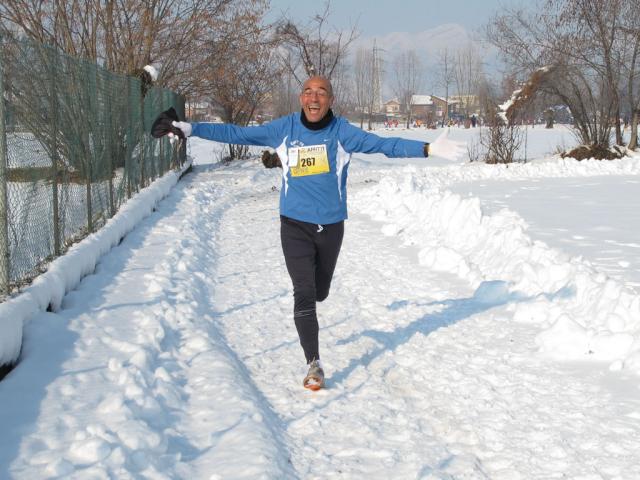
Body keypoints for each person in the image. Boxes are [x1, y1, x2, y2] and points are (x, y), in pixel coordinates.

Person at [152, 76, 443, 390]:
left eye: (321, 92)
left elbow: (385, 145)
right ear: (300, 97)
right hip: (294, 225)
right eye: (308, 91)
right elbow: (239, 133)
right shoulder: (285, 129)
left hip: (331, 227)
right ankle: (314, 363)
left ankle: (317, 298)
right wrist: (192, 128)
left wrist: (426, 148)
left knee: (320, 291)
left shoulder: (342, 133)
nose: (314, 98)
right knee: (304, 294)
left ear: (330, 99)